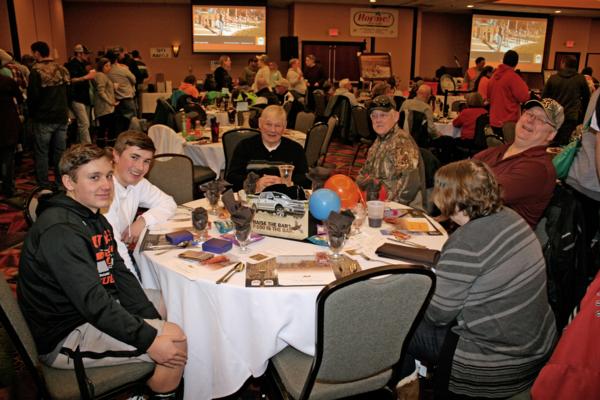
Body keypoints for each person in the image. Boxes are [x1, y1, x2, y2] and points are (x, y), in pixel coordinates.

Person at [17, 144, 187, 399]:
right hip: (64, 335)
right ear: (69, 182)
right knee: (175, 341)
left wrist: (152, 320)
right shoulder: (61, 231)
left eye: (108, 175)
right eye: (94, 177)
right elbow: (92, 302)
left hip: (90, 309)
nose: (106, 185)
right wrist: (150, 338)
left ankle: (145, 389)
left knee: (169, 305)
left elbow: (121, 275)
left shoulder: (95, 217)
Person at [400, 159, 556, 399]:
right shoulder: (510, 217)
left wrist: (411, 289)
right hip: (535, 345)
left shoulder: (466, 242)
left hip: (492, 360)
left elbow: (438, 315)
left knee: (396, 324)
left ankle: (406, 388)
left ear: (448, 197)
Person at [474, 98, 564, 228]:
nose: (530, 120)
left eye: (541, 119)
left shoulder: (538, 169)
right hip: (471, 227)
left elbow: (480, 194)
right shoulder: (497, 151)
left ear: (551, 134)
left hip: (496, 242)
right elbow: (458, 175)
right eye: (529, 113)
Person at [104, 131, 177, 278]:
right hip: (102, 268)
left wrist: (142, 220)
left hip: (120, 257)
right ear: (116, 156)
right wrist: (138, 291)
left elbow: (169, 202)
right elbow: (116, 249)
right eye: (134, 157)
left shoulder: (137, 183)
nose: (140, 167)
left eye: (147, 161)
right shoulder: (104, 191)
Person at [356, 95, 424, 208]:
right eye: (374, 116)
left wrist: (389, 209)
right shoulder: (378, 141)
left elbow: (409, 187)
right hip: (378, 203)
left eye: (383, 115)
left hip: (402, 209)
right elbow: (364, 173)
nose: (378, 120)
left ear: (396, 116)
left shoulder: (401, 142)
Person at [226, 105, 308, 192]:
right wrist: (255, 183)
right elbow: (231, 178)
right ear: (260, 123)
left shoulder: (295, 149)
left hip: (285, 202)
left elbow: (306, 180)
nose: (273, 130)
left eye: (278, 125)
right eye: (268, 124)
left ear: (284, 126)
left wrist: (286, 182)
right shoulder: (245, 146)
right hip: (252, 200)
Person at [27, 41, 70, 189]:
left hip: (44, 118)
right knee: (60, 153)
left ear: (37, 53)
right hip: (61, 116)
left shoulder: (36, 71)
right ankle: (60, 183)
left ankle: (44, 185)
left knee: (42, 153)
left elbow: (33, 97)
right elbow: (67, 93)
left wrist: (31, 116)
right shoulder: (62, 69)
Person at [542, 55, 590, 145]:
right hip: (571, 117)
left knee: (551, 142)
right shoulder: (580, 79)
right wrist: (582, 117)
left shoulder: (553, 78)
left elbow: (544, 98)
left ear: (563, 64)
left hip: (554, 116)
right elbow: (586, 99)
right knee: (565, 146)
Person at [487, 50, 529, 142]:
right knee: (509, 151)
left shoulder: (493, 76)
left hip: (494, 121)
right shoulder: (513, 77)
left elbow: (488, 96)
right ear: (516, 63)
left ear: (503, 60)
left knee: (498, 150)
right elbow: (524, 97)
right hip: (508, 123)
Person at [65, 44, 96, 144]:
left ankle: (80, 144)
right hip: (76, 97)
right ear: (79, 53)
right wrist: (87, 77)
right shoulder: (72, 64)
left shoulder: (82, 64)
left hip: (83, 97)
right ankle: (87, 145)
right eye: (86, 54)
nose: (87, 56)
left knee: (84, 123)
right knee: (84, 123)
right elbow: (71, 80)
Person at [0, 74, 23, 197]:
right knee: (7, 159)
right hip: (7, 124)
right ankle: (8, 187)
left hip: (7, 124)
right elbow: (20, 99)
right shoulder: (7, 81)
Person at [107, 49, 137, 135]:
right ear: (116, 58)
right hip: (127, 98)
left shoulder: (107, 71)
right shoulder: (123, 69)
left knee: (118, 123)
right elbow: (134, 80)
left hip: (115, 100)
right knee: (132, 122)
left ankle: (120, 141)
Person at [93, 58, 118, 147]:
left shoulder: (103, 75)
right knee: (108, 128)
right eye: (106, 66)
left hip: (106, 106)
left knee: (105, 128)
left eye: (109, 65)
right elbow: (101, 91)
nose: (109, 68)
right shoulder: (100, 75)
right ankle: (107, 148)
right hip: (105, 107)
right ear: (101, 66)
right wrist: (110, 102)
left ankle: (105, 148)